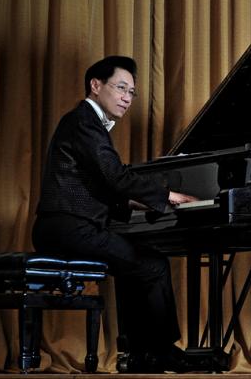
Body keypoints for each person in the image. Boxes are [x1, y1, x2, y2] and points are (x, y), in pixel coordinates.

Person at [32, 55, 197, 373]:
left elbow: (97, 186)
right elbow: (114, 175)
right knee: (153, 264)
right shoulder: (84, 121)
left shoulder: (83, 122)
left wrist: (136, 204)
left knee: (135, 264)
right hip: (70, 228)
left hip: (63, 226)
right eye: (121, 88)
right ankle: (162, 352)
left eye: (132, 92)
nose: (127, 98)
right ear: (96, 85)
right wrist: (165, 195)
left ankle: (139, 353)